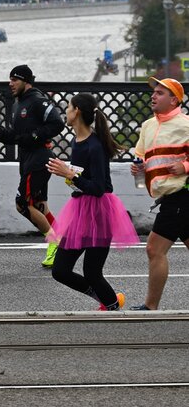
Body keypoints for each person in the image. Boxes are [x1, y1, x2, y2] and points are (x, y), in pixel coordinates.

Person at [45, 93, 139, 310]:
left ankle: (112, 306)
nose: (65, 112)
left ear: (76, 110)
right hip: (80, 210)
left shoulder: (94, 146)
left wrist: (69, 174)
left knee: (93, 272)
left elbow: (98, 188)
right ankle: (106, 300)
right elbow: (80, 180)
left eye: (68, 107)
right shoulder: (75, 141)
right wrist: (69, 175)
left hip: (99, 212)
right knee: (60, 270)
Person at [0, 65, 64, 267]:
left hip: (39, 159)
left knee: (22, 204)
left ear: (26, 81)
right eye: (10, 79)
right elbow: (17, 136)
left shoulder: (38, 101)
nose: (10, 83)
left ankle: (54, 242)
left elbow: (57, 123)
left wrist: (35, 136)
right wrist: (0, 133)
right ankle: (62, 243)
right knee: (40, 206)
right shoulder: (18, 104)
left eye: (14, 80)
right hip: (28, 159)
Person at [129, 77, 189, 311]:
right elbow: (143, 157)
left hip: (181, 194)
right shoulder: (148, 126)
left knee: (154, 249)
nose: (153, 96)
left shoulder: (186, 125)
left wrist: (184, 167)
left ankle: (151, 306)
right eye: (154, 92)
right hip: (168, 196)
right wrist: (139, 168)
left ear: (174, 100)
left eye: (160, 93)